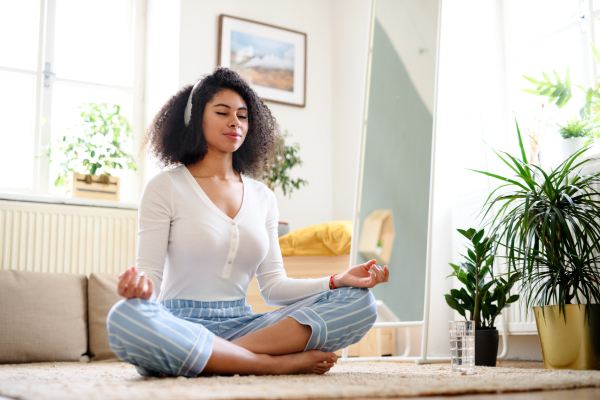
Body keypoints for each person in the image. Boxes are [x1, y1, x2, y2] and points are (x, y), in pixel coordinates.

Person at [106, 67, 390, 378]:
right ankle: (268, 363)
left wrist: (339, 280)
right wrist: (139, 289)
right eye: (222, 112)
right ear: (195, 118)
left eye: (242, 115)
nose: (235, 122)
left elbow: (274, 288)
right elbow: (151, 276)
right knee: (125, 317)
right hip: (178, 324)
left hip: (246, 327)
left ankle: (211, 358)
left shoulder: (263, 196)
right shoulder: (165, 186)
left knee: (361, 303)